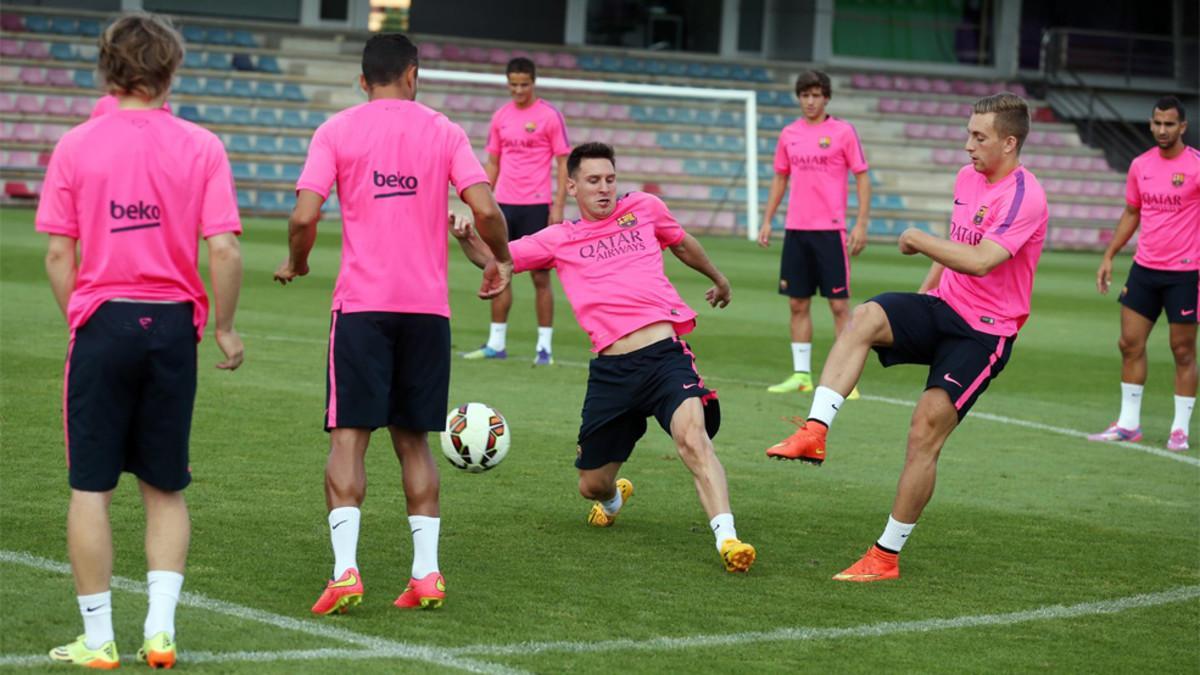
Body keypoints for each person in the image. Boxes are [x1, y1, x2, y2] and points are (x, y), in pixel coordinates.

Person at [273, 33, 512, 616]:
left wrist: (298, 261)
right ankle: (426, 575)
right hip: (427, 310)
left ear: (362, 80)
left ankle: (346, 571)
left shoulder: (336, 131)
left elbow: (305, 216)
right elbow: (484, 209)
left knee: (349, 437)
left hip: (362, 308)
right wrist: (499, 260)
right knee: (414, 442)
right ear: (414, 74)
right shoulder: (445, 130)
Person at [765, 93, 1047, 582]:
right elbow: (958, 242)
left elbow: (981, 261)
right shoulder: (968, 179)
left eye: (978, 137)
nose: (967, 146)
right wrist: (922, 300)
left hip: (984, 333)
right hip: (945, 307)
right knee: (866, 316)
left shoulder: (1025, 196)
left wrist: (916, 239)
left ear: (1009, 141)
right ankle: (815, 431)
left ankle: (884, 556)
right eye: (967, 134)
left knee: (923, 432)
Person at [38, 12, 244, 669]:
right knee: (164, 485)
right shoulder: (202, 145)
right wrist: (225, 325)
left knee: (91, 487)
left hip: (103, 319)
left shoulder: (77, 145)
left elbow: (56, 255)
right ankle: (159, 631)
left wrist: (84, 317)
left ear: (107, 68)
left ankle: (98, 639)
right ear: (172, 69)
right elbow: (226, 248)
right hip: (172, 326)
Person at [454, 142, 757, 573]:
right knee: (591, 485)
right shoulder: (558, 238)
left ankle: (728, 539)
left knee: (693, 440)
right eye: (594, 181)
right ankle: (614, 498)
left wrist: (719, 279)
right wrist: (468, 239)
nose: (605, 189)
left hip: (664, 357)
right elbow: (497, 260)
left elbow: (682, 243)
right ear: (572, 186)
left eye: (610, 179)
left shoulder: (645, 208)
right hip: (612, 373)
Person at [1089, 96, 1199, 451]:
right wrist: (1109, 255)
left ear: (1183, 126)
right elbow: (1132, 212)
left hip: (1186, 272)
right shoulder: (1140, 166)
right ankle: (1128, 424)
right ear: (1150, 124)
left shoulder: (1197, 166)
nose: (1162, 130)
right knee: (1129, 344)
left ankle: (1179, 428)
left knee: (1182, 350)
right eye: (1157, 123)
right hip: (1145, 269)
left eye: (1169, 124)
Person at [758, 70, 871, 397]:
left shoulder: (843, 132)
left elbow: (862, 177)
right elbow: (780, 178)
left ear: (826, 98)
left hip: (830, 231)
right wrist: (768, 219)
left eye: (816, 95)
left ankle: (845, 380)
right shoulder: (789, 134)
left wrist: (861, 223)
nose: (810, 101)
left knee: (839, 306)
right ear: (799, 98)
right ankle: (801, 375)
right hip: (796, 230)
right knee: (797, 303)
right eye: (805, 95)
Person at [462, 57, 570, 365]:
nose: (518, 90)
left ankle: (544, 348)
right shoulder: (501, 117)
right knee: (497, 268)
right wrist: (480, 199)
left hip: (537, 204)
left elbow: (563, 162)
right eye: (513, 84)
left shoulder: (549, 116)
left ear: (533, 83)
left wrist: (557, 206)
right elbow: (493, 161)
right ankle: (496, 343)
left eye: (524, 84)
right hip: (504, 204)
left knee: (540, 278)